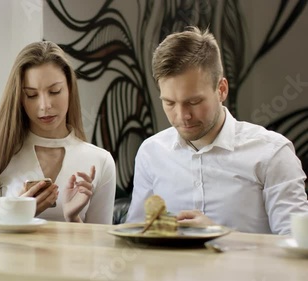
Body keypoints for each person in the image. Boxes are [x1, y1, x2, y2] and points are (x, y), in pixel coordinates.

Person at [125, 26, 308, 234]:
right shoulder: (151, 153)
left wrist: (220, 234)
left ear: (221, 89)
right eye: (169, 103)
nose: (182, 115)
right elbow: (136, 237)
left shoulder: (272, 153)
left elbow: (298, 249)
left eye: (194, 101)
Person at [0, 41, 116, 224]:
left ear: (69, 88)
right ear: (19, 99)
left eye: (54, 91)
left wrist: (73, 219)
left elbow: (101, 248)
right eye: (31, 95)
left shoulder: (100, 161)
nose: (45, 105)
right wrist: (19, 213)